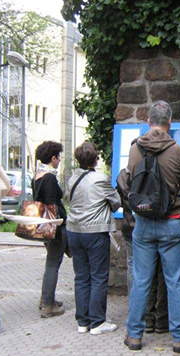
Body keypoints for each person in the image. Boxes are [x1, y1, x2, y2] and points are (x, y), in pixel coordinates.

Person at [124, 100, 180, 354]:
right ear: (170, 123)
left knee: (141, 280)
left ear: (148, 122)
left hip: (144, 223)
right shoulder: (178, 150)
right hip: (172, 222)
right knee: (175, 281)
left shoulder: (135, 148)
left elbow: (129, 178)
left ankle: (134, 336)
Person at [67, 142, 121, 335]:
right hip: (95, 232)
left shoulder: (71, 178)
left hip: (73, 231)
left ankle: (82, 321)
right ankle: (97, 322)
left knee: (81, 277)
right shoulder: (101, 178)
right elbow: (116, 203)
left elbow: (69, 199)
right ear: (96, 158)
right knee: (98, 276)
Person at [34, 141, 67, 318]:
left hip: (43, 225)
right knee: (53, 264)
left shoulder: (37, 176)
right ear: (53, 158)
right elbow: (53, 202)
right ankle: (48, 305)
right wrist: (61, 223)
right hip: (54, 226)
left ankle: (47, 299)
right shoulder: (49, 178)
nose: (59, 160)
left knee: (51, 262)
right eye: (58, 157)